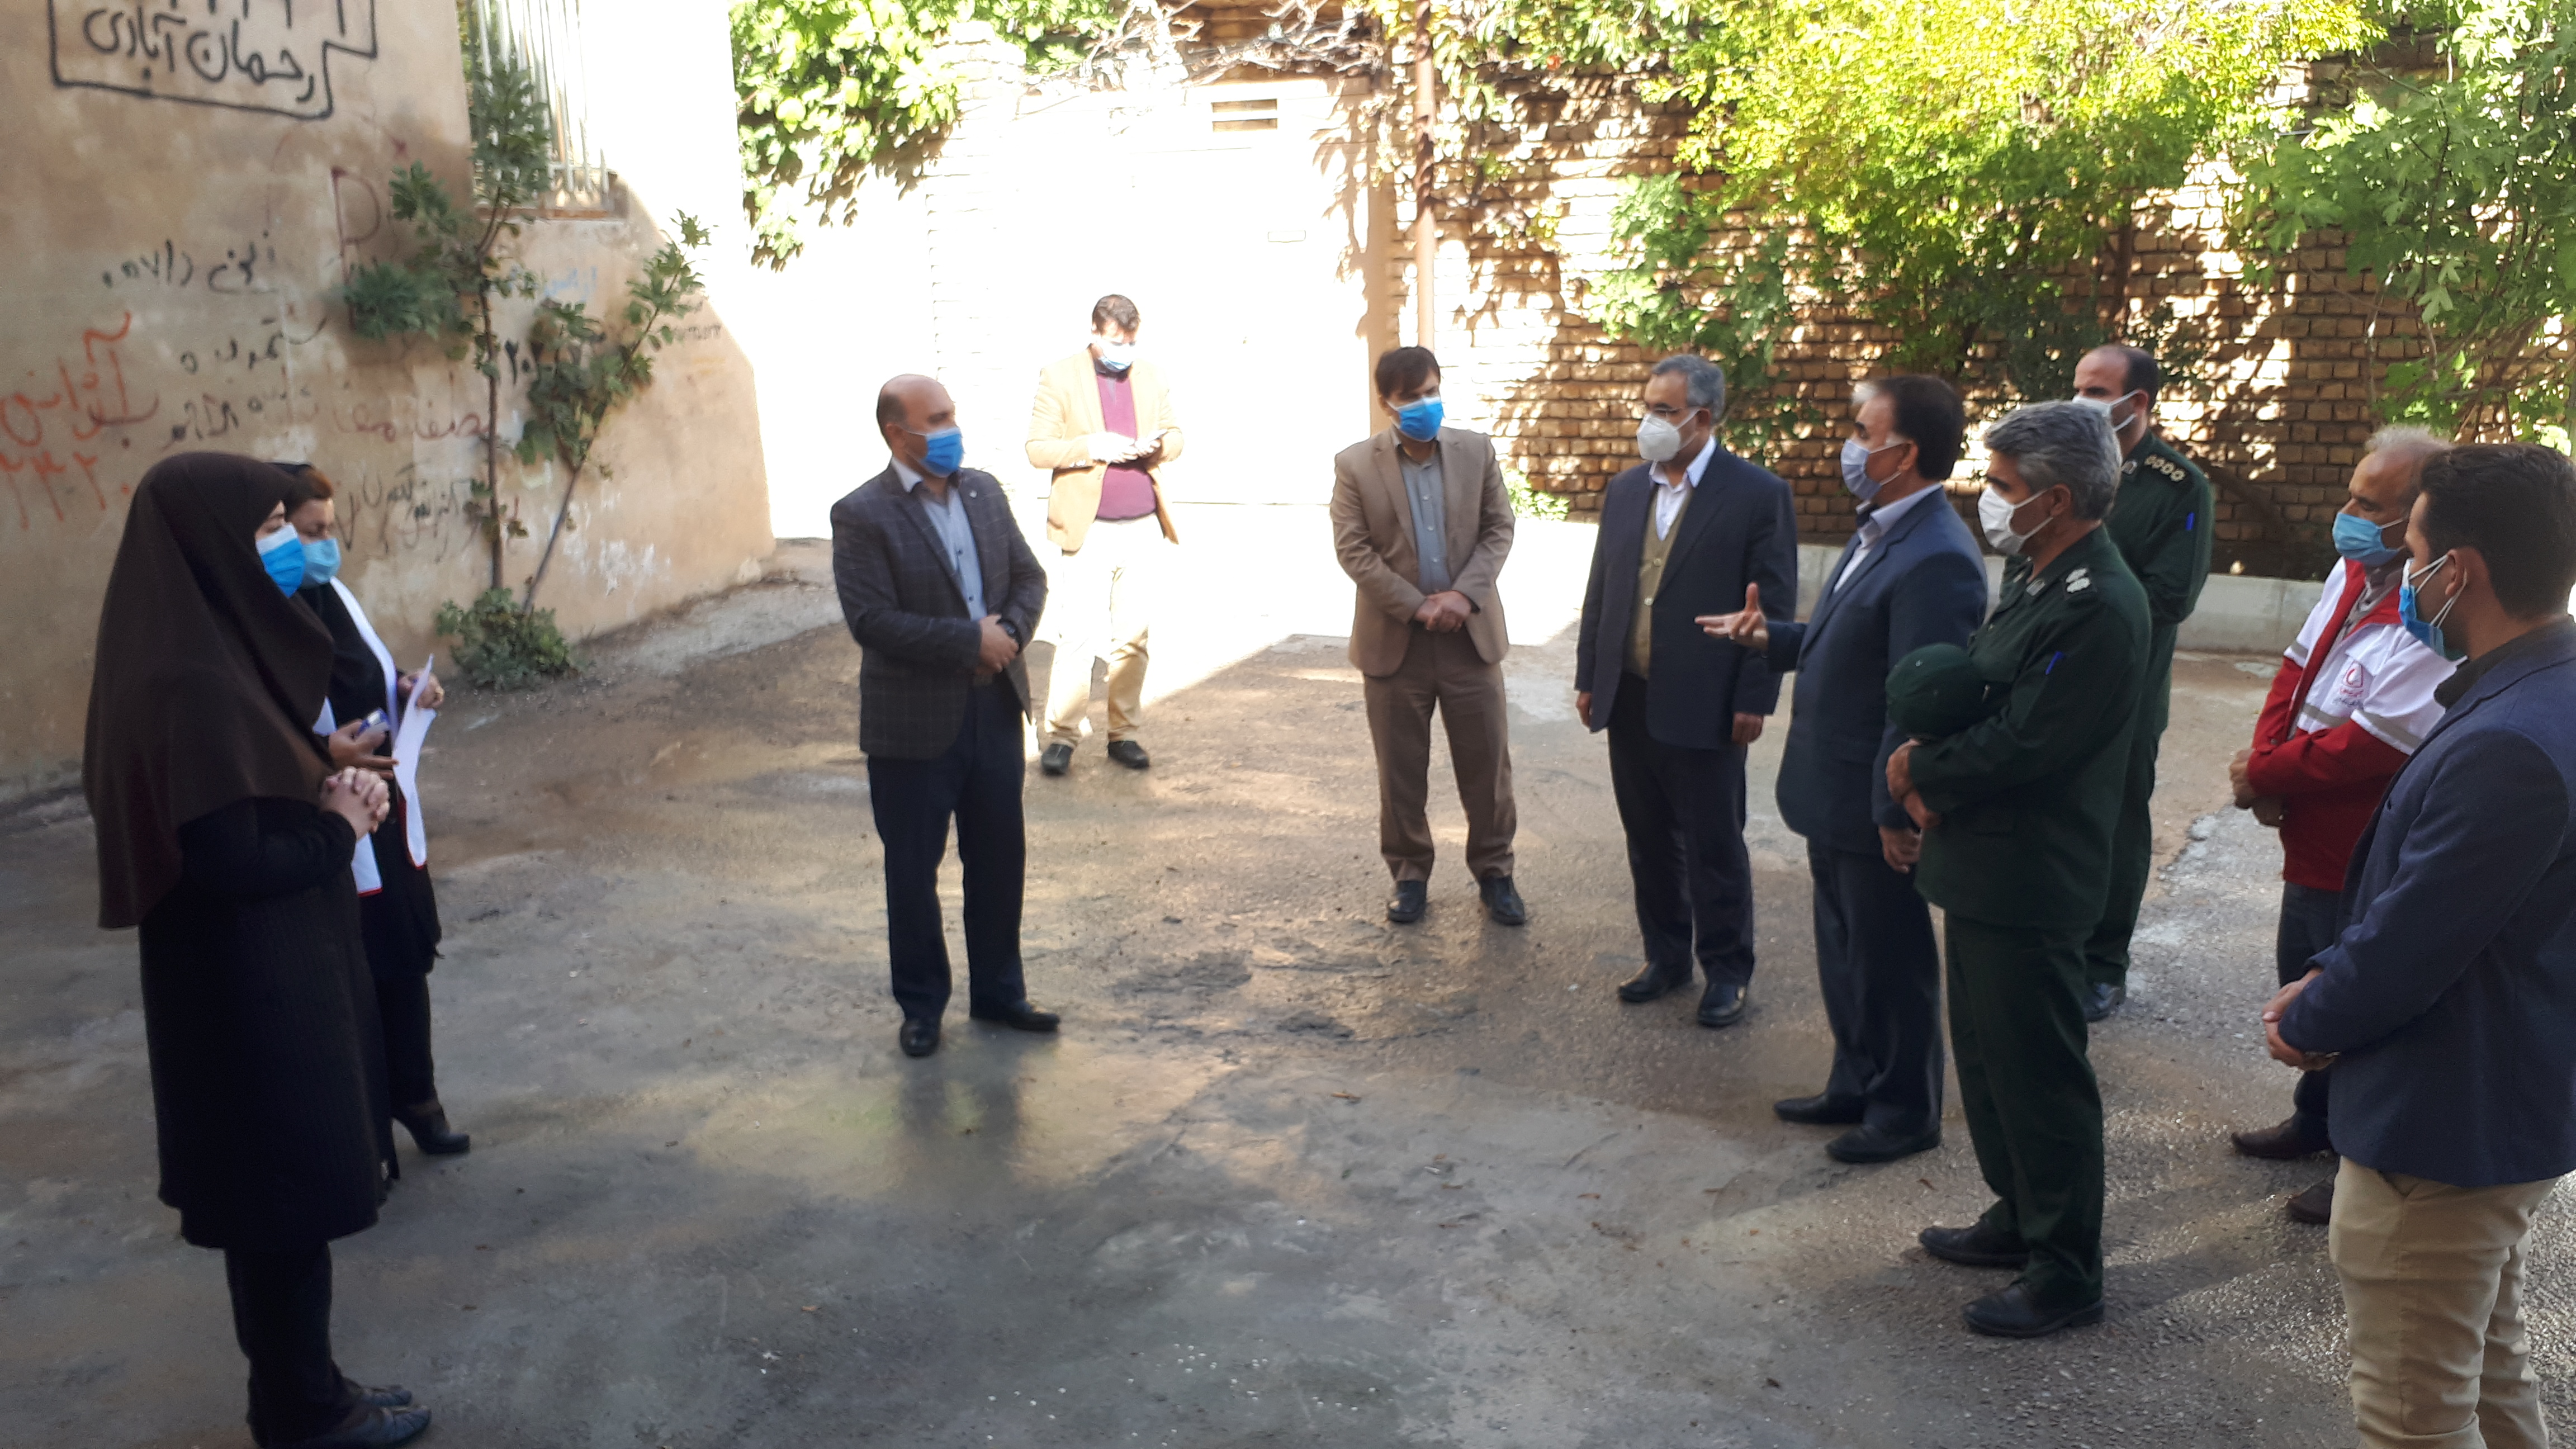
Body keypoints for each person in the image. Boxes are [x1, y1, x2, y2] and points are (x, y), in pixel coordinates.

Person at [83, 453, 432, 1447]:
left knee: (279, 1215)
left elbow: (229, 788)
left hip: (252, 980)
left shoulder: (202, 646)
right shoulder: (190, 679)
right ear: (212, 538)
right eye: (270, 524)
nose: (285, 541)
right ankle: (305, 1412)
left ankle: (304, 1389)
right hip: (250, 994)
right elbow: (231, 856)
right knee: (281, 1209)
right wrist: (338, 824)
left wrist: (317, 767)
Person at [2265, 442, 2576, 1449]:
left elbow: (2418, 935)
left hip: (2443, 1122)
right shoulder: (2544, 689)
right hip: (2496, 1111)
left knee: (2413, 1414)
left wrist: (2315, 1010)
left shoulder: (2509, 739)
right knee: (2483, 1364)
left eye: (2409, 550)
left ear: (2460, 571)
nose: (2398, 570)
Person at [1888, 401, 2148, 1338]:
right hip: (1985, 866)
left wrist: (1919, 771)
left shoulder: (2100, 603)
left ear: (2058, 498)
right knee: (1991, 1063)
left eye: (2001, 486)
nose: (1987, 499)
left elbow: (2026, 741)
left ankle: (2065, 1269)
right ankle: (2019, 1216)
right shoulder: (2039, 571)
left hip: (2033, 875)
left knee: (2039, 1078)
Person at [1699, 375, 1987, 1163]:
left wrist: (1897, 809)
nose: (1851, 447)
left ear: (1907, 452)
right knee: (1847, 948)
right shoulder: (1880, 530)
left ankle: (1905, 1110)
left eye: (1865, 433)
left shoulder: (1937, 557)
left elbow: (1916, 698)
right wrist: (1773, 638)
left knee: (1890, 959)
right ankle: (1856, 1080)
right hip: (1831, 791)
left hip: (1872, 801)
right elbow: (1849, 640)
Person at [2226, 428, 2455, 1225]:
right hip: (2311, 824)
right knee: (2303, 965)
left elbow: (2378, 741)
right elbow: (2296, 667)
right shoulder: (2356, 570)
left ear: (2415, 516)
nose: (2348, 514)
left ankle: (2357, 1155)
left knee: (2352, 993)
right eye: (2352, 495)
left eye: (2369, 504)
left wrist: (2268, 775)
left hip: (2361, 830)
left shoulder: (2434, 601)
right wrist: (2264, 761)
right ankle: (2317, 1119)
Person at [833, 374, 1056, 1059]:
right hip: (912, 725)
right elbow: (872, 620)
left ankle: (999, 992)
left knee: (999, 859)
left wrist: (1008, 634)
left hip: (994, 708)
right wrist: (970, 643)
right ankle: (922, 1006)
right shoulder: (862, 514)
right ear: (897, 434)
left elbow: (1029, 578)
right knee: (912, 871)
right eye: (936, 419)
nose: (951, 428)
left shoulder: (984, 492)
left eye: (951, 414)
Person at [1575, 354, 1796, 1027]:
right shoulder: (1626, 490)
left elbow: (1772, 606)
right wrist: (1589, 676)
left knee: (1713, 843)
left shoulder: (1756, 494)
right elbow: (1602, 589)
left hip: (1707, 698)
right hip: (1630, 695)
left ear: (1702, 418)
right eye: (1647, 408)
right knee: (1648, 838)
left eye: (1663, 411)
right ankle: (1666, 957)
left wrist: (1754, 698)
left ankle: (1727, 971)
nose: (1650, 422)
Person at [280, 463, 468, 1159]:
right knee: (350, 978)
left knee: (401, 959)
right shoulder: (262, 618)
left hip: (382, 808)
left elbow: (367, 681)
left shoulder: (334, 597)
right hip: (326, 817)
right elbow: (267, 728)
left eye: (329, 530)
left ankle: (417, 1100)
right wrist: (322, 754)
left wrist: (409, 689)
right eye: (309, 533)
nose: (326, 547)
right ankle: (365, 1131)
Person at [1328, 346, 1524, 926]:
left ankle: (1496, 872)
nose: (1425, 405)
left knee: (1487, 766)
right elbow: (1354, 551)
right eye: (1411, 397)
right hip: (1396, 645)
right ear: (1386, 403)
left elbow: (1499, 528)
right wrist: (1417, 607)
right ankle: (1409, 874)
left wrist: (1464, 596)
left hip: (1471, 640)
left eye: (1432, 392)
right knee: (1401, 772)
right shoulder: (1355, 465)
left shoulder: (1476, 451)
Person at [2068, 343, 2215, 1021]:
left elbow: (2170, 596)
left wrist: (2080, 611)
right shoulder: (2065, 466)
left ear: (2138, 403)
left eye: (2097, 391)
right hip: (2052, 678)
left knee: (2118, 824)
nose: (2082, 401)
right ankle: (2058, 942)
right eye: (2078, 387)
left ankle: (2104, 964)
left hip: (2125, 690)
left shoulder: (2178, 486)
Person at [1024, 293, 1185, 776]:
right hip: (1088, 528)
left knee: (1133, 638)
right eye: (1117, 342)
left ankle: (1124, 734)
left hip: (1142, 525)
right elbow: (1037, 449)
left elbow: (1177, 435)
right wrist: (1091, 446)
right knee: (1077, 636)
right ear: (1095, 333)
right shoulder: (1060, 376)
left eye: (1132, 342)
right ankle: (1063, 736)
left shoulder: (1151, 375)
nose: (1125, 351)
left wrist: (1157, 447)